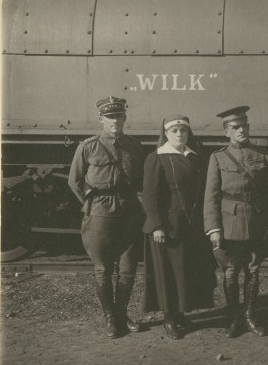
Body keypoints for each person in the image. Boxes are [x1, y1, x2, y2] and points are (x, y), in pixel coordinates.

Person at [68, 96, 146, 338]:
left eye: (119, 116)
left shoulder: (135, 146)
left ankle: (122, 314)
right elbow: (75, 181)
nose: (115, 120)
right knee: (102, 268)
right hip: (100, 212)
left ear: (125, 118)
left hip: (129, 211)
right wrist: (90, 204)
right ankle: (110, 318)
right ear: (101, 119)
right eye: (110, 117)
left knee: (128, 268)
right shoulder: (88, 146)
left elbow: (142, 181)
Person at [204, 105, 268, 337]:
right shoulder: (217, 157)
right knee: (230, 272)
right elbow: (211, 196)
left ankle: (249, 315)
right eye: (235, 127)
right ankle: (234, 317)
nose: (241, 131)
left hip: (256, 220)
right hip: (229, 223)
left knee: (253, 270)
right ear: (226, 131)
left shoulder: (262, 155)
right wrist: (213, 228)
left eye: (244, 126)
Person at [140, 116, 217, 339]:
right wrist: (157, 226)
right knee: (167, 275)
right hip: (167, 228)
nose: (179, 134)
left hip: (190, 227)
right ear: (166, 133)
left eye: (183, 130)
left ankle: (182, 313)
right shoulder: (156, 158)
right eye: (174, 130)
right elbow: (150, 196)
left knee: (185, 272)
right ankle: (169, 317)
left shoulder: (195, 158)